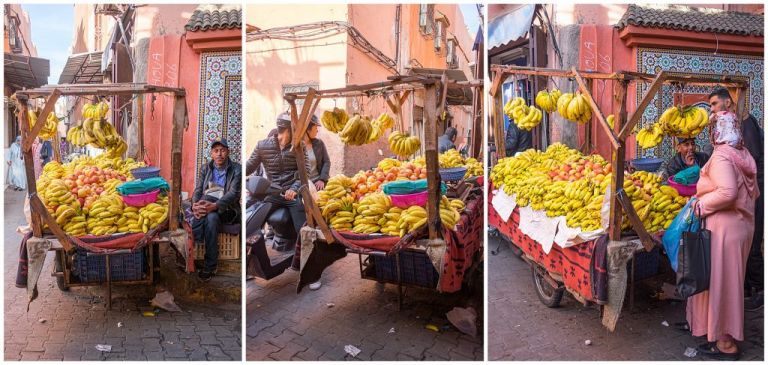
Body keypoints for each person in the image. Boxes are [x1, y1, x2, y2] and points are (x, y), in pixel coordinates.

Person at [686, 111, 758, 360]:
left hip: (725, 230)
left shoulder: (722, 157)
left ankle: (727, 344)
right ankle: (719, 334)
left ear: (717, 131)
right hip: (740, 226)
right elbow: (753, 193)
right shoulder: (742, 154)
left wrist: (701, 205)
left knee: (723, 285)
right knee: (728, 283)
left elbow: (727, 192)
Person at [709, 87, 764, 310]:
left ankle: (759, 290)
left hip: (754, 193)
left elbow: (753, 159)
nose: (711, 110)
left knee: (752, 244)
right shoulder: (733, 129)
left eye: (714, 104)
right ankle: (745, 289)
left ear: (728, 103)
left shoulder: (744, 125)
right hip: (747, 193)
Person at [246, 112, 307, 253]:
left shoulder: (299, 146)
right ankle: (250, 261)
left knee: (302, 230)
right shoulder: (262, 145)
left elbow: (305, 172)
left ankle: (303, 260)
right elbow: (249, 167)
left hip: (291, 194)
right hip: (272, 193)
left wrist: (294, 188)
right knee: (253, 225)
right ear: (288, 129)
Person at [191, 138, 242, 281]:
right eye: (216, 151)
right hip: (208, 210)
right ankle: (210, 266)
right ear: (212, 154)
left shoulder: (237, 169)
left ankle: (195, 242)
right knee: (211, 218)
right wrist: (195, 205)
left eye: (222, 150)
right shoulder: (205, 168)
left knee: (208, 201)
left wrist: (213, 206)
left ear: (228, 152)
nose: (219, 154)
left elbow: (233, 194)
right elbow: (198, 189)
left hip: (227, 209)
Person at [303, 116, 330, 191]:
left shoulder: (319, 143)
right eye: (315, 128)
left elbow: (326, 162)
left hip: (319, 183)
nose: (317, 131)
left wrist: (322, 179)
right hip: (304, 186)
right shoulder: (296, 147)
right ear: (308, 130)